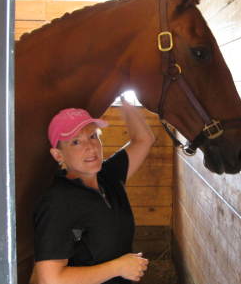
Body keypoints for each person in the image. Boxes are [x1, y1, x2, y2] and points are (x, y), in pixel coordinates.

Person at [31, 98, 155, 284]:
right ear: (58, 155)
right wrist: (118, 268)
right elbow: (51, 279)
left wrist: (126, 98)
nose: (90, 147)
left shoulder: (108, 175)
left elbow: (144, 139)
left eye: (93, 136)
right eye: (75, 142)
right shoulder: (58, 201)